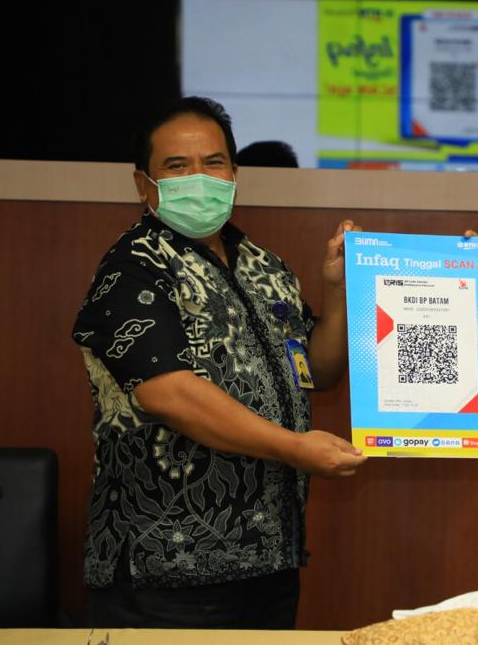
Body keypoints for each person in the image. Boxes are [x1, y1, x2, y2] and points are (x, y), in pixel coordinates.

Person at [72, 96, 366, 629]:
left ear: (234, 174)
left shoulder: (263, 265)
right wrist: (295, 448)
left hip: (267, 559)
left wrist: (338, 293)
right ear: (143, 185)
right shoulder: (133, 268)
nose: (200, 178)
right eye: (177, 166)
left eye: (213, 162)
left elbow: (316, 372)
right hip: (167, 570)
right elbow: (169, 394)